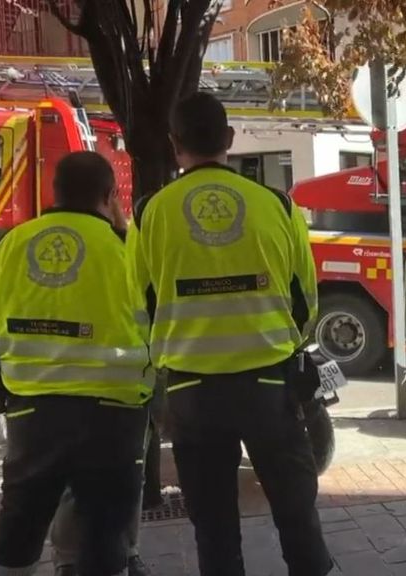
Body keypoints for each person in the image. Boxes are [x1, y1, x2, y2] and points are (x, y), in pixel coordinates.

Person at [126, 92, 332, 576]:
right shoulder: (277, 206)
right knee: (296, 512)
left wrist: (161, 361)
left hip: (191, 392)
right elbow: (306, 301)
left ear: (175, 145)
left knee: (214, 526)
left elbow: (135, 305)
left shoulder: (148, 214)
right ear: (230, 140)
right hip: (270, 388)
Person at [0, 152, 152, 576]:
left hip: (33, 408)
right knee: (106, 533)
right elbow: (156, 321)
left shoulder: (6, 247)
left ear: (56, 192)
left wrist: (5, 380)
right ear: (110, 195)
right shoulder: (128, 250)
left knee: (20, 524)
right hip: (116, 410)